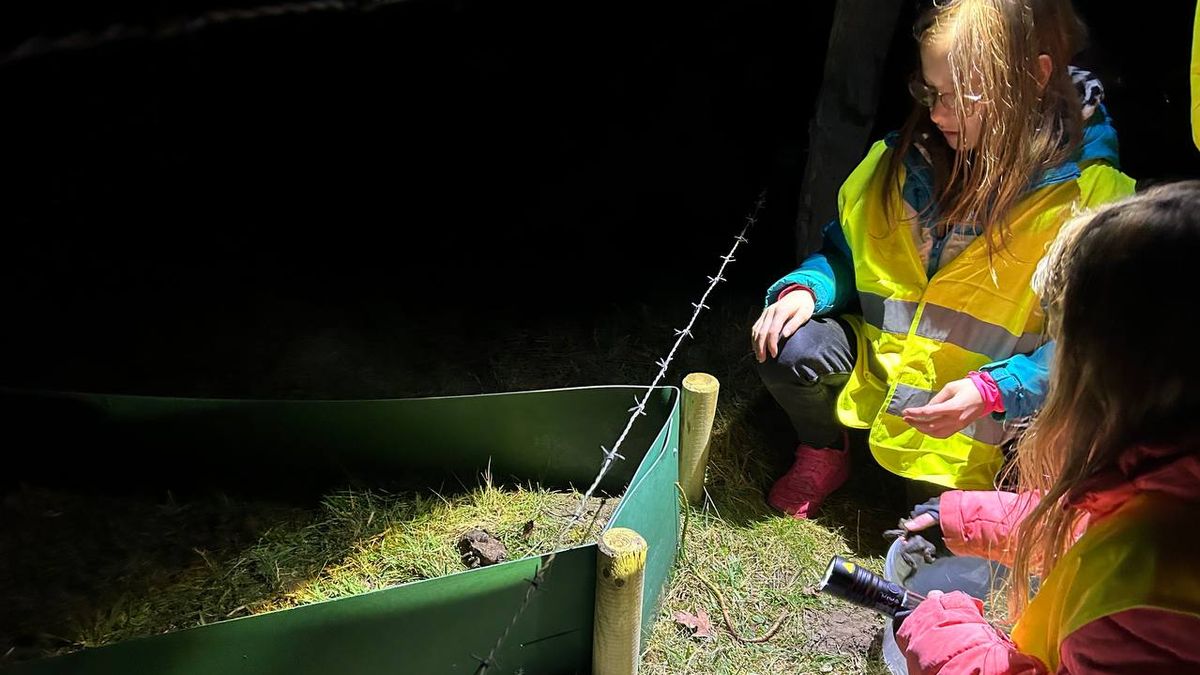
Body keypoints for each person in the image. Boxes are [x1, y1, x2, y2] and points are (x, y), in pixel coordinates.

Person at [751, 0, 1135, 518]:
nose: (936, 114)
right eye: (929, 92)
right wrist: (810, 287)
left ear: (1034, 78)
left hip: (992, 412)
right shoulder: (902, 161)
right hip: (891, 370)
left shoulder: (1088, 200)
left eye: (961, 97)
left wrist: (997, 390)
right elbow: (846, 252)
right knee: (790, 349)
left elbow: (1095, 349)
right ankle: (824, 448)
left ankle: (1005, 484)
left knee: (933, 536)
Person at [893, 181, 1200, 673]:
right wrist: (969, 518)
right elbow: (1105, 530)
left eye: (1064, 356)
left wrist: (953, 645)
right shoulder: (1174, 502)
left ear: (1114, 387)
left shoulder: (1148, 610)